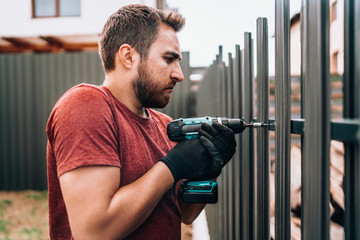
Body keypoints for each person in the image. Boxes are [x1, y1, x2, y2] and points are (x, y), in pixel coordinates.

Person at [46, 4, 237, 240]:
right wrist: (172, 166)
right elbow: (94, 232)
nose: (179, 74)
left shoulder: (164, 124)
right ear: (129, 56)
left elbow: (184, 214)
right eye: (169, 59)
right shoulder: (85, 105)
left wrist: (209, 170)